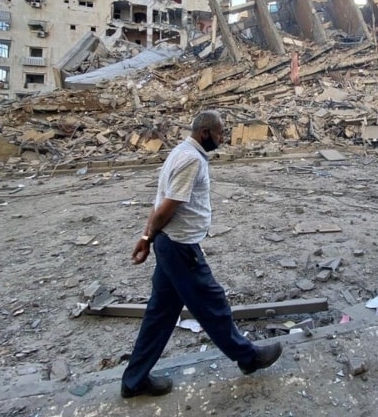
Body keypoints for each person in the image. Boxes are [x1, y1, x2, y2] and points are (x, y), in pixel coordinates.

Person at [121, 110, 283, 398]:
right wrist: (147, 237)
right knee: (213, 304)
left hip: (171, 245)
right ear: (205, 133)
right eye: (220, 132)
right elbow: (167, 206)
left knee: (159, 314)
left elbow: (158, 201)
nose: (224, 138)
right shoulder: (191, 160)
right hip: (181, 248)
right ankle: (248, 358)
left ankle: (134, 380)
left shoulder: (180, 152)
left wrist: (149, 237)